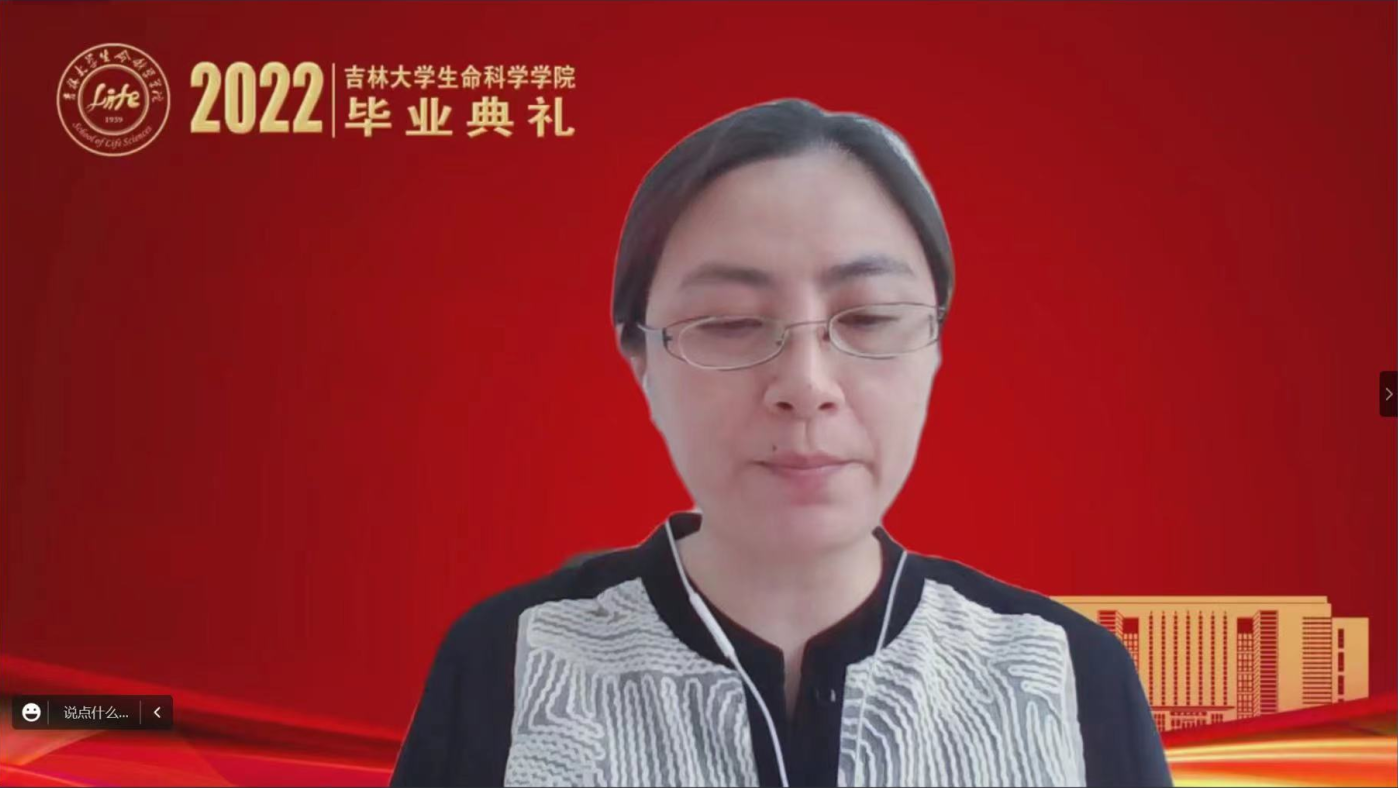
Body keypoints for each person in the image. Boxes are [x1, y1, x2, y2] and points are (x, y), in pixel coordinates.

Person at [389, 98, 1172, 787]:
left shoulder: (1067, 674)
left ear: (935, 346)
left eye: (868, 318)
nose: (805, 383)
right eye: (731, 322)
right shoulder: (510, 662)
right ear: (640, 360)